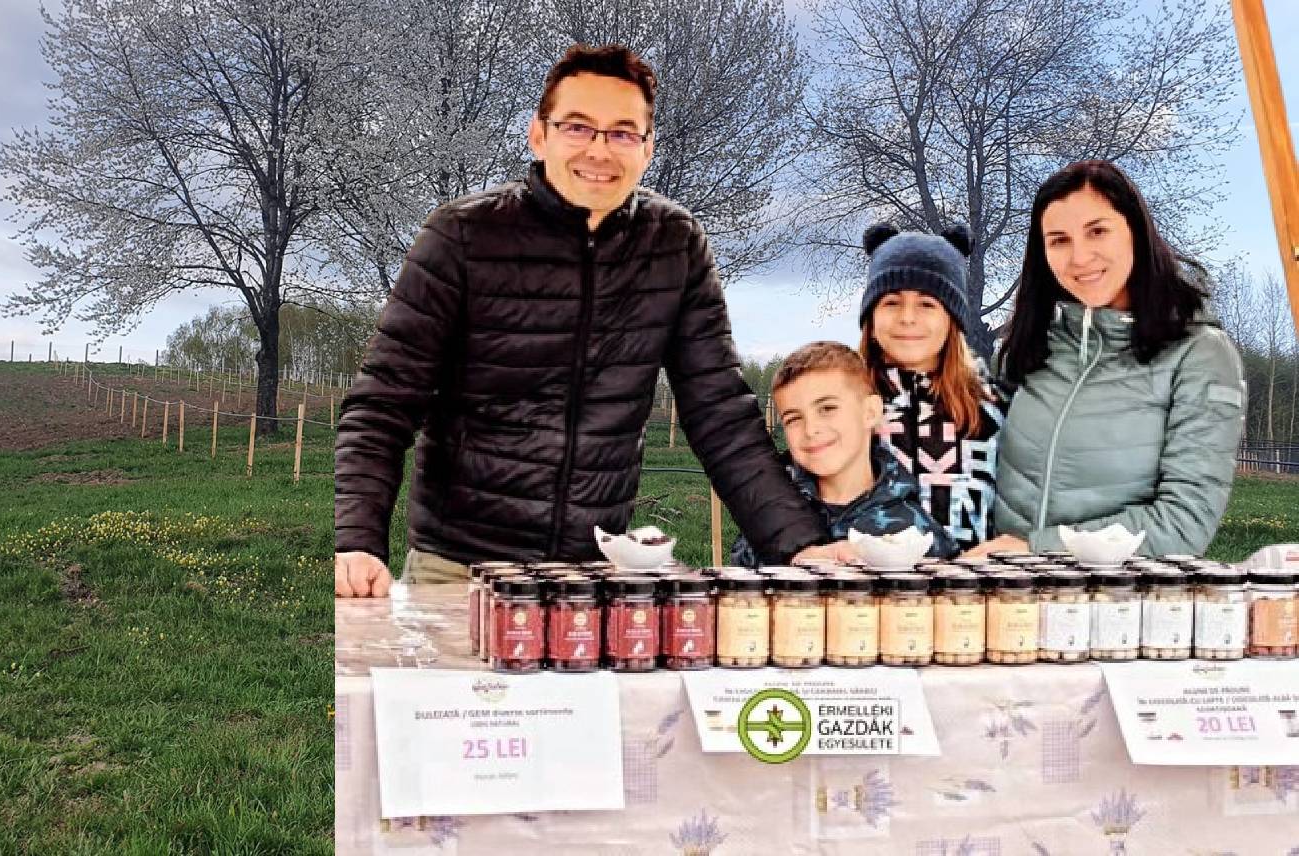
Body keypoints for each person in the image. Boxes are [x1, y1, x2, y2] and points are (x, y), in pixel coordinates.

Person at [334, 44, 837, 597]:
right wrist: (358, 540)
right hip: (461, 571)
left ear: (646, 150)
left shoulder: (674, 244)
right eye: (577, 127)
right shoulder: (460, 237)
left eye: (623, 132)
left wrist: (798, 544)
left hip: (593, 574)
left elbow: (718, 409)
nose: (599, 150)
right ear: (539, 134)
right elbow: (383, 403)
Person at [973, 160, 1245, 557]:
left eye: (1097, 231)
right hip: (1008, 600)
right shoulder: (1032, 345)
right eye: (1059, 240)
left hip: (1118, 603)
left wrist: (1035, 549)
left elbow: (1185, 523)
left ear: (1136, 231)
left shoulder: (1200, 354)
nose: (1079, 257)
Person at [730, 342, 957, 567]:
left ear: (870, 412)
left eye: (827, 408)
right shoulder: (771, 511)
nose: (811, 429)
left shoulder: (918, 534)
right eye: (793, 418)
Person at [857, 224, 1007, 553]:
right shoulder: (846, 404)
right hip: (864, 596)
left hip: (970, 596)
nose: (908, 317)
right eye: (892, 302)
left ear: (952, 317)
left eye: (927, 304)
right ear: (871, 315)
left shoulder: (995, 408)